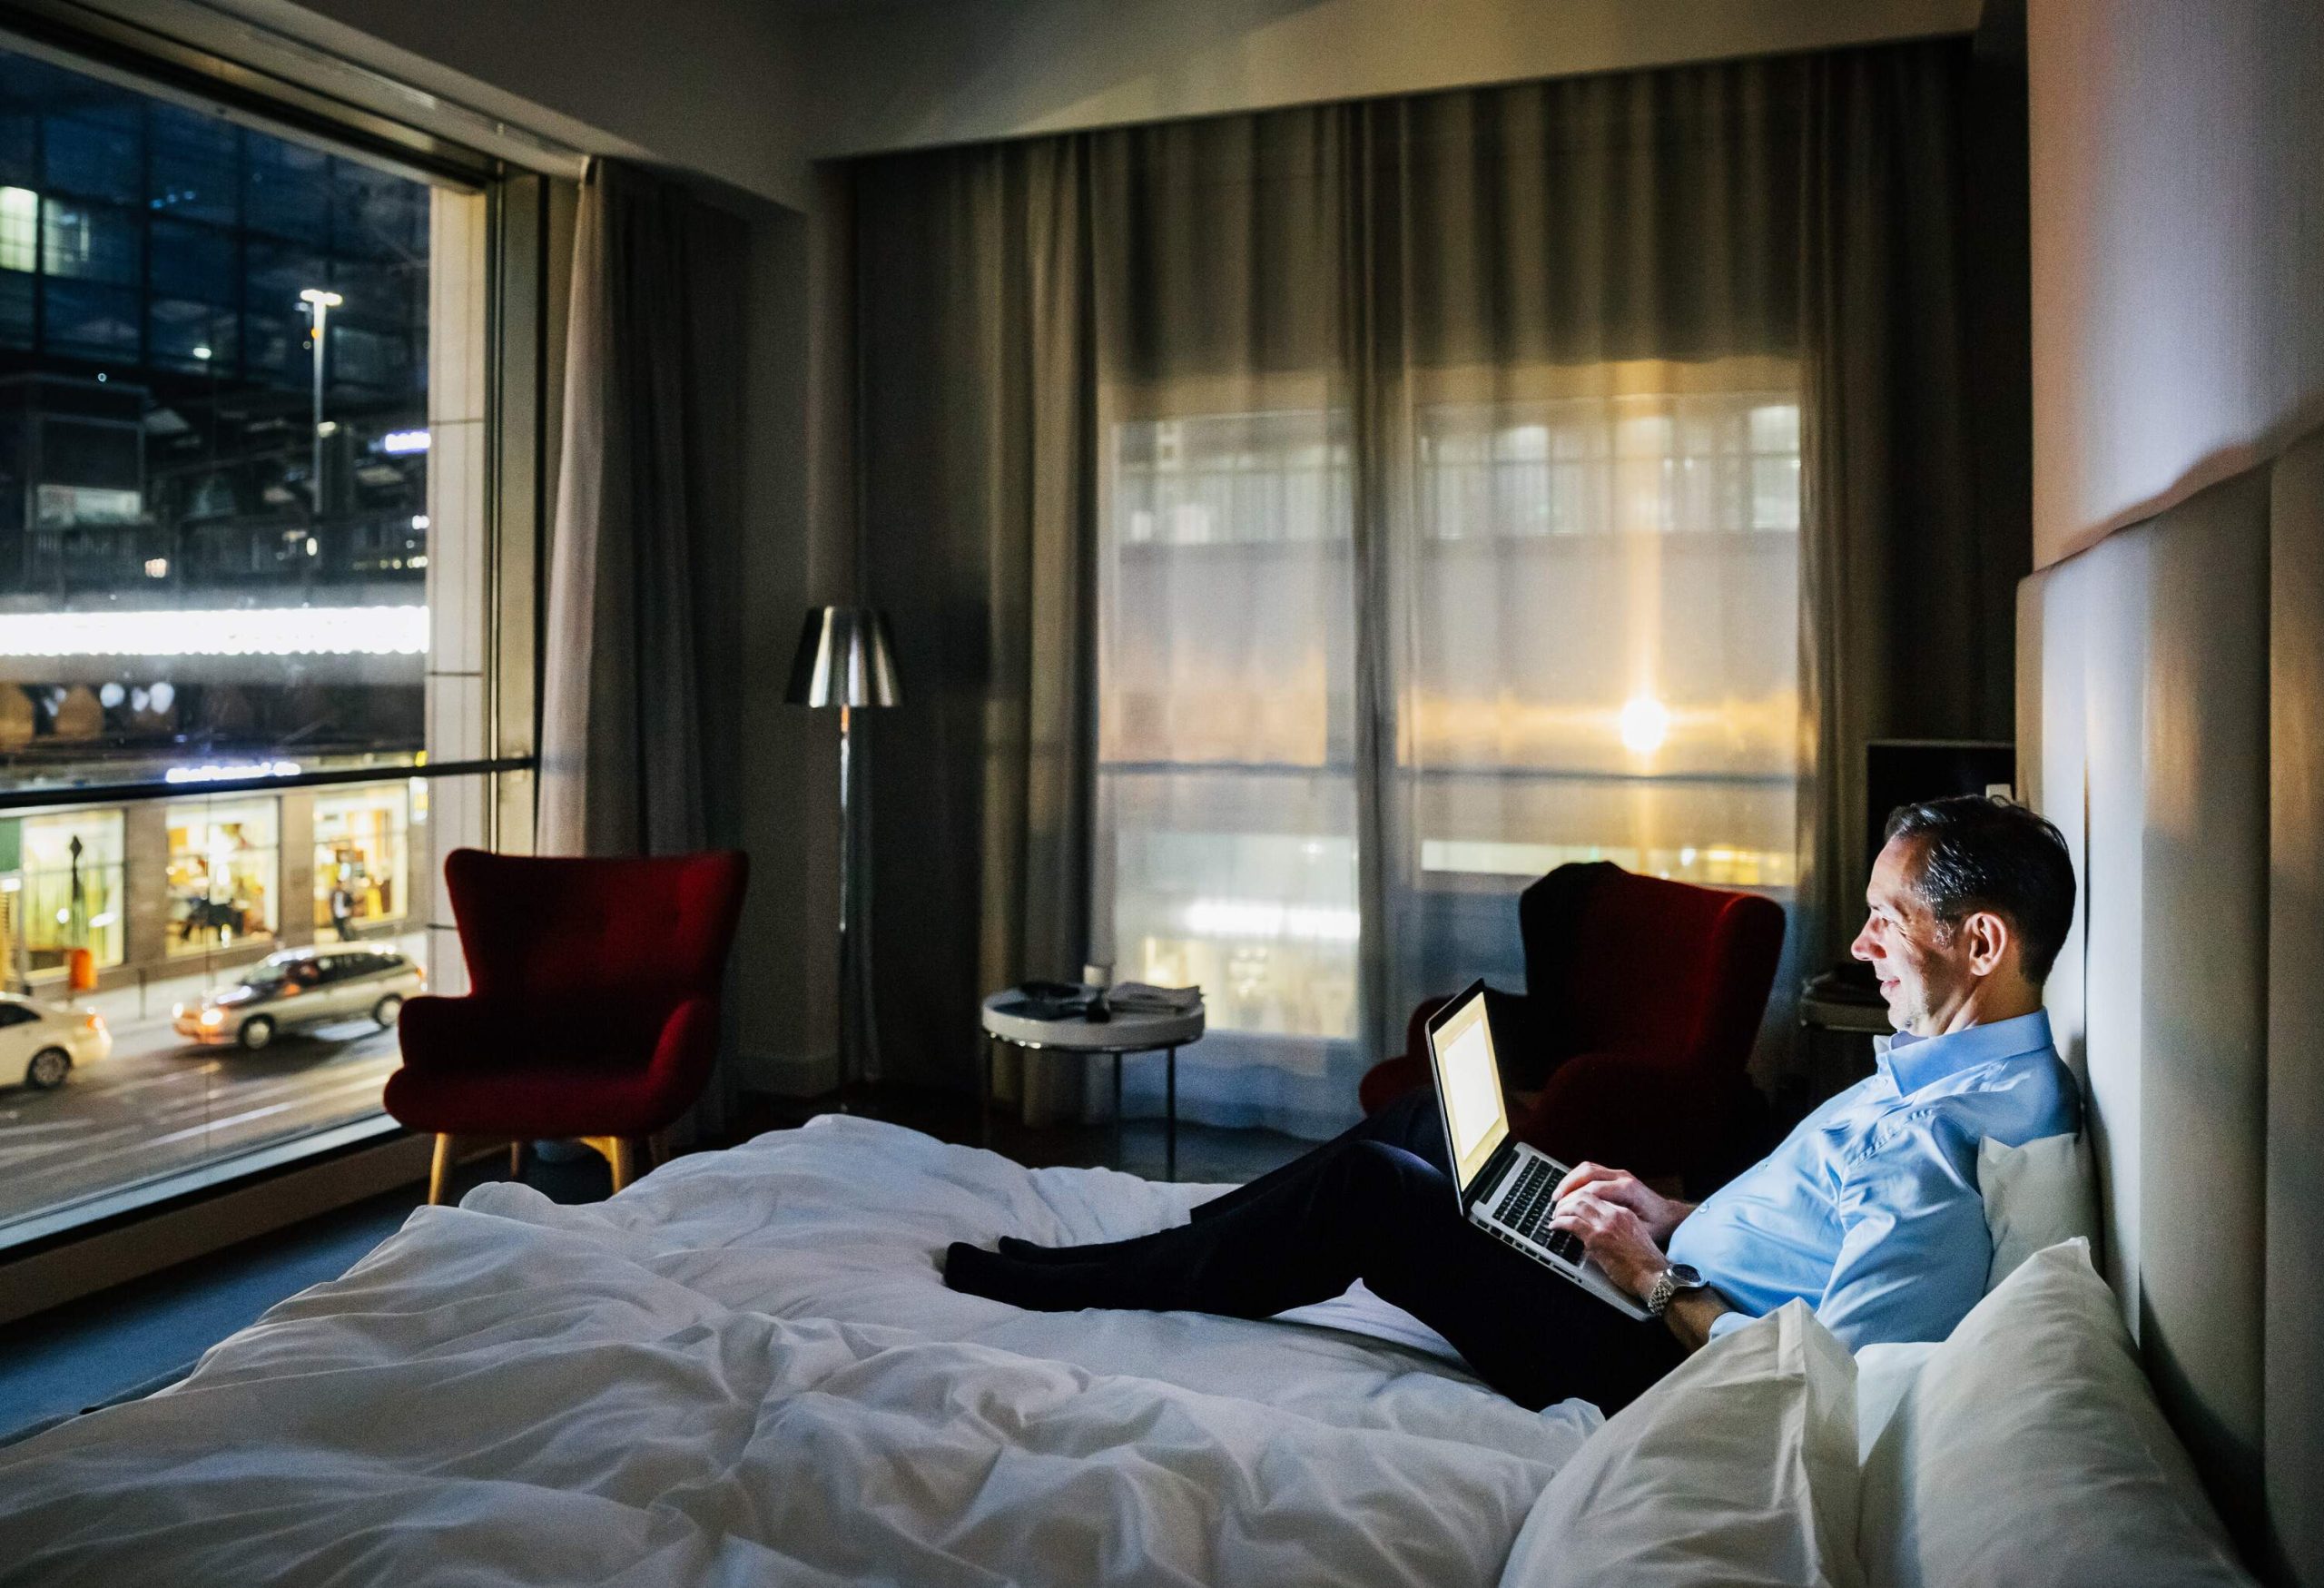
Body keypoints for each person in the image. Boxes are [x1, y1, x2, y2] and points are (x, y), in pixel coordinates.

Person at [946, 795, 2082, 1412]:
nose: (1860, 943)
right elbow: (1812, 1235)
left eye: (1887, 918)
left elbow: (1832, 1374)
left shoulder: (1952, 1139)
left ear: (1978, 941)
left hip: (1653, 1353)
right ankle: (1194, 1242)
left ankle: (1083, 1283)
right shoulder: (1945, 1069)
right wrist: (1666, 1212)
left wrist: (1651, 1274)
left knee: (1372, 1191)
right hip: (1661, 1278)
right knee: (1420, 1127)